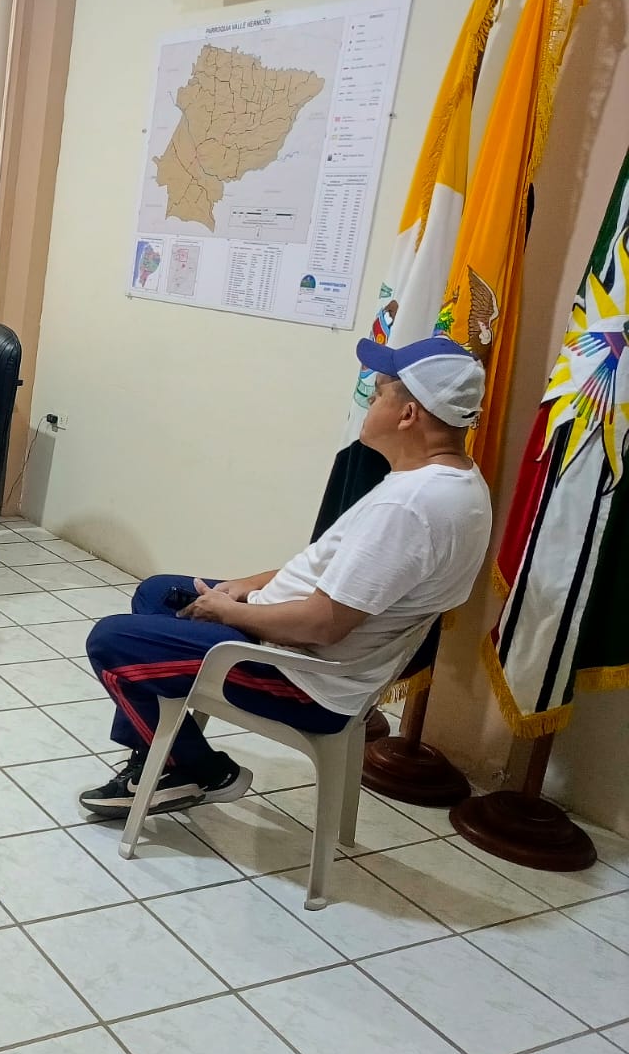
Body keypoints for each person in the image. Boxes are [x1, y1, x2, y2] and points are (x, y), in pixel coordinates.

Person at [79, 337, 493, 820]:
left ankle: (199, 769)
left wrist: (230, 613)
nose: (368, 400)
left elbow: (322, 626)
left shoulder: (411, 506)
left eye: (379, 391)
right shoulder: (453, 483)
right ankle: (162, 756)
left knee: (111, 642)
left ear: (408, 414)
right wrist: (246, 585)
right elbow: (337, 566)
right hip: (295, 645)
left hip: (302, 678)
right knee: (157, 593)